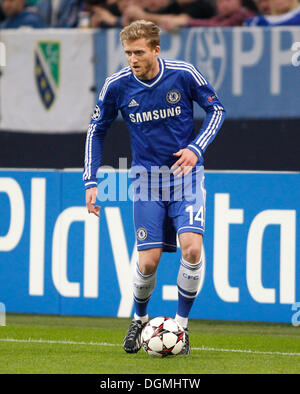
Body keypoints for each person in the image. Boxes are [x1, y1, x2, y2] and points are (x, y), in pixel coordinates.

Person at [83, 20, 226, 355]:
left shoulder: (184, 73)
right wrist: (91, 180)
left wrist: (196, 147)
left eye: (139, 52)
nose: (132, 58)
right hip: (147, 180)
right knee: (148, 262)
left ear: (156, 49)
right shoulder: (116, 85)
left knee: (192, 249)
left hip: (185, 177)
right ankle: (139, 319)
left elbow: (216, 109)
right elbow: (96, 130)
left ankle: (181, 327)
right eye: (128, 52)